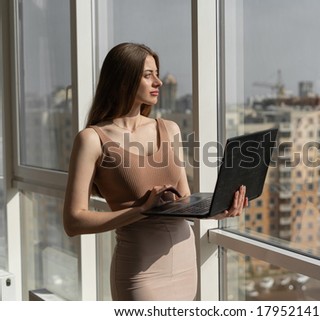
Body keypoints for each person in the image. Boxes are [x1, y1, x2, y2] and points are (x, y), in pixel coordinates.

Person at [63, 42, 248, 300]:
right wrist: (140, 210)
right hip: (140, 271)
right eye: (148, 75)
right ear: (123, 80)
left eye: (157, 74)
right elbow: (73, 221)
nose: (158, 82)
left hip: (185, 263)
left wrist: (216, 208)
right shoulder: (92, 140)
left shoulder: (169, 129)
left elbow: (183, 199)